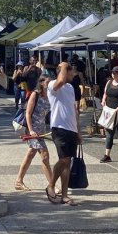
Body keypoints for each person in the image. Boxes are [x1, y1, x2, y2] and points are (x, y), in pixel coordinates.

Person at [46, 62, 81, 206]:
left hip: (71, 129)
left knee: (68, 163)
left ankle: (65, 195)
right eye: (70, 71)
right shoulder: (52, 85)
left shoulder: (71, 88)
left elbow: (73, 109)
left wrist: (78, 131)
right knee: (64, 160)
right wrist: (64, 65)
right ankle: (51, 185)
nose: (73, 74)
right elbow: (60, 80)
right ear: (63, 72)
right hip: (59, 128)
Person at [14, 75, 55, 193]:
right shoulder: (35, 94)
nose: (50, 84)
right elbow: (27, 113)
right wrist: (31, 130)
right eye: (48, 82)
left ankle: (18, 181)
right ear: (42, 83)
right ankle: (52, 185)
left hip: (41, 129)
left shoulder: (50, 96)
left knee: (31, 154)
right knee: (45, 156)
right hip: (32, 129)